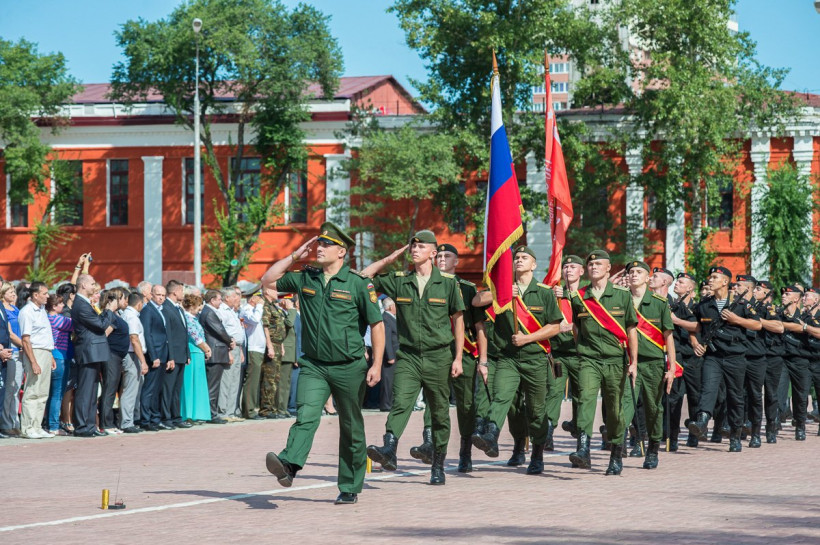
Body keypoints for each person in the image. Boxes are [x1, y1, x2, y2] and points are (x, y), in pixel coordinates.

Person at [261, 222, 384, 505]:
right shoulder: (307, 277)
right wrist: (295, 255)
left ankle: (350, 486)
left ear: (341, 252)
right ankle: (289, 465)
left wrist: (376, 363)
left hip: (349, 366)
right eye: (319, 243)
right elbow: (268, 280)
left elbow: (377, 325)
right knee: (306, 415)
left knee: (351, 427)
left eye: (327, 244)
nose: (320, 248)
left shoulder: (358, 283)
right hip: (314, 365)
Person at [364, 230, 464, 486]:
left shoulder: (448, 283)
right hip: (408, 355)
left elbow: (458, 320)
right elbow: (364, 277)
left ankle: (438, 463)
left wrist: (458, 357)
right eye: (412, 247)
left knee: (439, 412)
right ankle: (389, 448)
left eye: (421, 247)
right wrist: (388, 259)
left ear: (433, 253)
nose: (414, 250)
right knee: (401, 403)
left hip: (439, 356)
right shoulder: (400, 281)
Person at [471, 246, 562, 475]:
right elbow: (476, 301)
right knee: (501, 397)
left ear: (534, 265)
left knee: (536, 410)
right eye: (517, 257)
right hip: (508, 359)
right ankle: (491, 434)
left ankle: (537, 455)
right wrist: (500, 294)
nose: (519, 260)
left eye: (524, 258)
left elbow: (554, 326)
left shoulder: (544, 293)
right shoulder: (503, 289)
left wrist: (528, 338)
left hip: (535, 359)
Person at [409, 243, 485, 473]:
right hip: (435, 351)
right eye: (439, 255)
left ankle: (465, 453)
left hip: (464, 352)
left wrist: (483, 360)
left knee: (465, 404)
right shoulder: (424, 283)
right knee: (434, 398)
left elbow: (479, 327)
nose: (442, 258)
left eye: (447, 255)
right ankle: (429, 443)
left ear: (456, 262)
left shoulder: (467, 288)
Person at [569, 250, 639, 476]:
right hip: (588, 359)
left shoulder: (622, 295)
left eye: (599, 264)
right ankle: (583, 448)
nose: (593, 267)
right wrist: (582, 350)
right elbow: (576, 329)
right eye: (590, 264)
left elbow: (631, 330)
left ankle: (616, 452)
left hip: (615, 361)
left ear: (608, 268)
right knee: (585, 399)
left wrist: (633, 362)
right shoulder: (579, 297)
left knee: (615, 410)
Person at [688, 266, 760, 452]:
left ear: (725, 282)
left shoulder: (741, 304)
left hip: (735, 357)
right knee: (708, 388)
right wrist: (695, 343)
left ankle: (735, 435)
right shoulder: (704, 305)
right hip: (713, 356)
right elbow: (694, 327)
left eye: (714, 277)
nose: (710, 280)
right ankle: (702, 421)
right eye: (710, 277)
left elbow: (757, 325)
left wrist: (737, 320)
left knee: (735, 396)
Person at [620, 261, 676, 469]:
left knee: (653, 408)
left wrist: (671, 368)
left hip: (653, 364)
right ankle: (618, 444)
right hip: (627, 363)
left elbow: (668, 337)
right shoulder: (620, 300)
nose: (634, 274)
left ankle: (653, 448)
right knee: (624, 404)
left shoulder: (659, 303)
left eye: (639, 272)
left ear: (647, 278)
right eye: (631, 272)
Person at [72, 274, 116, 437]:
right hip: (88, 351)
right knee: (85, 390)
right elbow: (100, 325)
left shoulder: (85, 303)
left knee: (92, 391)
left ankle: (90, 426)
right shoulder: (80, 304)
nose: (94, 286)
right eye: (91, 283)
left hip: (94, 351)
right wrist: (109, 311)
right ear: (83, 285)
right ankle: (82, 426)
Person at [734, 274, 768, 448]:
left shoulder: (762, 308)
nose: (735, 288)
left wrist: (753, 320)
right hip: (737, 355)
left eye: (738, 286)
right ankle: (737, 430)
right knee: (737, 395)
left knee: (755, 396)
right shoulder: (733, 305)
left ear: (748, 288)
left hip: (756, 357)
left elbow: (778, 326)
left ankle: (755, 433)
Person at [19, 282, 57, 439]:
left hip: (45, 352)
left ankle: (37, 426)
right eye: (44, 293)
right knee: (32, 390)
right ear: (35, 295)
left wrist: (50, 355)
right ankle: (27, 428)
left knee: (42, 392)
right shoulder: (27, 312)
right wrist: (34, 362)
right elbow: (26, 339)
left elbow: (45, 335)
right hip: (35, 352)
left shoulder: (41, 310)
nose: (48, 296)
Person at [667, 272, 701, 449]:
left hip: (694, 357)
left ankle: (694, 434)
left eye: (681, 282)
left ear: (689, 288)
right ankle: (672, 436)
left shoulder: (698, 307)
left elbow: (698, 326)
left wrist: (677, 321)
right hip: (677, 356)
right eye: (677, 281)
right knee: (674, 397)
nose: (676, 284)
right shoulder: (671, 305)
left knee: (695, 396)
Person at [554, 255, 584, 446]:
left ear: (581, 271)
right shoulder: (555, 295)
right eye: (565, 267)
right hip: (558, 353)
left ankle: (581, 433)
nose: (568, 270)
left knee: (582, 395)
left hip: (581, 355)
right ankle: (547, 434)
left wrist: (573, 326)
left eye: (573, 267)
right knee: (553, 392)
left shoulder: (586, 295)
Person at [753, 280, 785, 443]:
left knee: (771, 394)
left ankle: (771, 427)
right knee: (754, 394)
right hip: (755, 355)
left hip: (772, 355)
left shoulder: (771, 309)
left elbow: (779, 327)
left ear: (767, 294)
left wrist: (758, 321)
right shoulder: (750, 308)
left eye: (758, 289)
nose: (754, 291)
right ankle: (754, 430)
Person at [200, 290, 235, 424]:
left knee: (214, 385)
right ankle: (211, 414)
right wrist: (230, 340)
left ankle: (211, 413)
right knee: (213, 386)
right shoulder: (209, 312)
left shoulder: (209, 311)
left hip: (217, 351)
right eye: (219, 299)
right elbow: (219, 330)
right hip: (215, 352)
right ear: (212, 300)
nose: (221, 302)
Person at [139, 284, 170, 431]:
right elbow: (147, 334)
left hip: (163, 354)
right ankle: (146, 420)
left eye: (163, 295)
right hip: (154, 355)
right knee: (149, 389)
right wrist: (153, 356)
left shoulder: (161, 310)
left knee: (157, 389)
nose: (161, 298)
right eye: (158, 295)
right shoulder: (148, 310)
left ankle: (155, 419)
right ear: (151, 294)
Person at [99, 290, 129, 435]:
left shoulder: (116, 315)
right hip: (111, 356)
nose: (124, 301)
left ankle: (109, 422)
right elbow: (104, 335)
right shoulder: (110, 315)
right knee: (109, 389)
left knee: (112, 389)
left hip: (117, 357)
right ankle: (106, 423)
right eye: (122, 299)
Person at [162, 280, 192, 429]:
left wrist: (187, 353)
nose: (183, 294)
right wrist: (171, 357)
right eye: (181, 290)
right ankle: (166, 417)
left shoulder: (178, 308)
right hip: (173, 355)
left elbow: (184, 333)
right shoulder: (166, 308)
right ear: (175, 292)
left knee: (176, 389)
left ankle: (176, 416)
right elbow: (168, 335)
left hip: (181, 355)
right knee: (168, 388)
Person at [181, 293, 212, 422]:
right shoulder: (187, 318)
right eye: (199, 305)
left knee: (198, 384)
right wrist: (207, 349)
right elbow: (195, 337)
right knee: (190, 384)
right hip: (193, 352)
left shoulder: (194, 318)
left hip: (198, 353)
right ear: (192, 306)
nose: (200, 308)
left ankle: (197, 413)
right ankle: (188, 413)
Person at [120, 291, 148, 433]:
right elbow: (134, 339)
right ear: (139, 304)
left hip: (132, 354)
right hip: (131, 355)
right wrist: (143, 361)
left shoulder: (129, 315)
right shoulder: (132, 317)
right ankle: (126, 422)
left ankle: (130, 419)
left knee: (132, 389)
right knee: (130, 390)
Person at [45, 295, 73, 436]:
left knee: (52, 393)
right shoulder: (57, 319)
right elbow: (76, 324)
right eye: (60, 304)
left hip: (55, 355)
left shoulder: (47, 318)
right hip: (60, 357)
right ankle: (54, 426)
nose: (63, 306)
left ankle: (49, 423)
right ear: (54, 306)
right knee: (57, 393)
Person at [217, 287, 245, 422]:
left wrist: (240, 350)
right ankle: (223, 412)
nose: (237, 298)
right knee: (226, 381)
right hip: (229, 348)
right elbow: (222, 332)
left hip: (237, 347)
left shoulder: (232, 311)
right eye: (234, 296)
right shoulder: (222, 311)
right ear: (227, 298)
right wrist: (228, 351)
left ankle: (231, 411)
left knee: (235, 381)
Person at [258, 286, 286, 419]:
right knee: (269, 379)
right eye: (275, 290)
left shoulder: (274, 306)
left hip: (277, 344)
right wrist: (269, 346)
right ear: (268, 291)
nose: (277, 293)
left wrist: (281, 345)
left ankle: (273, 408)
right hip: (271, 344)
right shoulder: (265, 305)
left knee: (275, 378)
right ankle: (266, 409)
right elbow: (266, 327)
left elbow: (279, 327)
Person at [0, 282, 23, 436]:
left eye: (14, 291)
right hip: (11, 351)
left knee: (15, 389)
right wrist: (24, 345)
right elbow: (10, 333)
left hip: (18, 351)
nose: (14, 294)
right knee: (8, 389)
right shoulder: (3, 308)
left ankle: (14, 421)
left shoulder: (15, 309)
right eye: (10, 291)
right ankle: (6, 423)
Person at [240, 288, 266, 419]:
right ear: (252, 298)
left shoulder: (255, 310)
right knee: (251, 381)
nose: (261, 300)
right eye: (259, 298)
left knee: (255, 381)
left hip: (259, 349)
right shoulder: (247, 309)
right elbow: (254, 320)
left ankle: (252, 408)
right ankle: (248, 411)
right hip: (253, 348)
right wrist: (259, 306)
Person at [277, 295, 298, 418]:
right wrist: (291, 309)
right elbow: (289, 323)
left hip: (290, 351)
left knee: (287, 382)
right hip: (285, 350)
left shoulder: (286, 313)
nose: (290, 303)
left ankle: (283, 408)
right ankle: (280, 408)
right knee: (283, 382)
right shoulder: (282, 313)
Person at [379, 297, 399, 412]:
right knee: (388, 380)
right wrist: (390, 356)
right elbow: (386, 338)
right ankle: (386, 405)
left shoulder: (391, 317)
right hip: (390, 355)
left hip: (395, 353)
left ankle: (391, 403)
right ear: (391, 307)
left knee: (392, 380)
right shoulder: (386, 318)